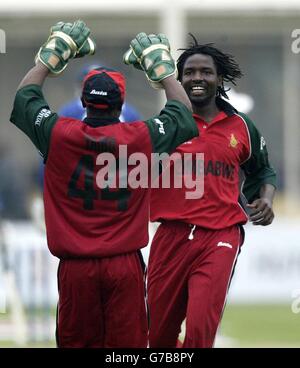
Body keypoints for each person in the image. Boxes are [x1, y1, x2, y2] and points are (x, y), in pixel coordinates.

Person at [10, 21, 198, 348]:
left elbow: (25, 98)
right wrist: (163, 68)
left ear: (83, 102)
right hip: (123, 265)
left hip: (74, 269)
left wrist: (49, 59)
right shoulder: (140, 136)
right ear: (120, 103)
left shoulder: (58, 135)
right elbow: (182, 113)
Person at [147, 36, 277, 348]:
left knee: (199, 333)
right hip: (170, 237)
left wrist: (266, 199)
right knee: (156, 338)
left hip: (220, 236)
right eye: (189, 72)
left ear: (220, 79)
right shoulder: (167, 125)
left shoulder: (242, 127)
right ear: (179, 80)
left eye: (206, 72)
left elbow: (263, 170)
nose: (197, 78)